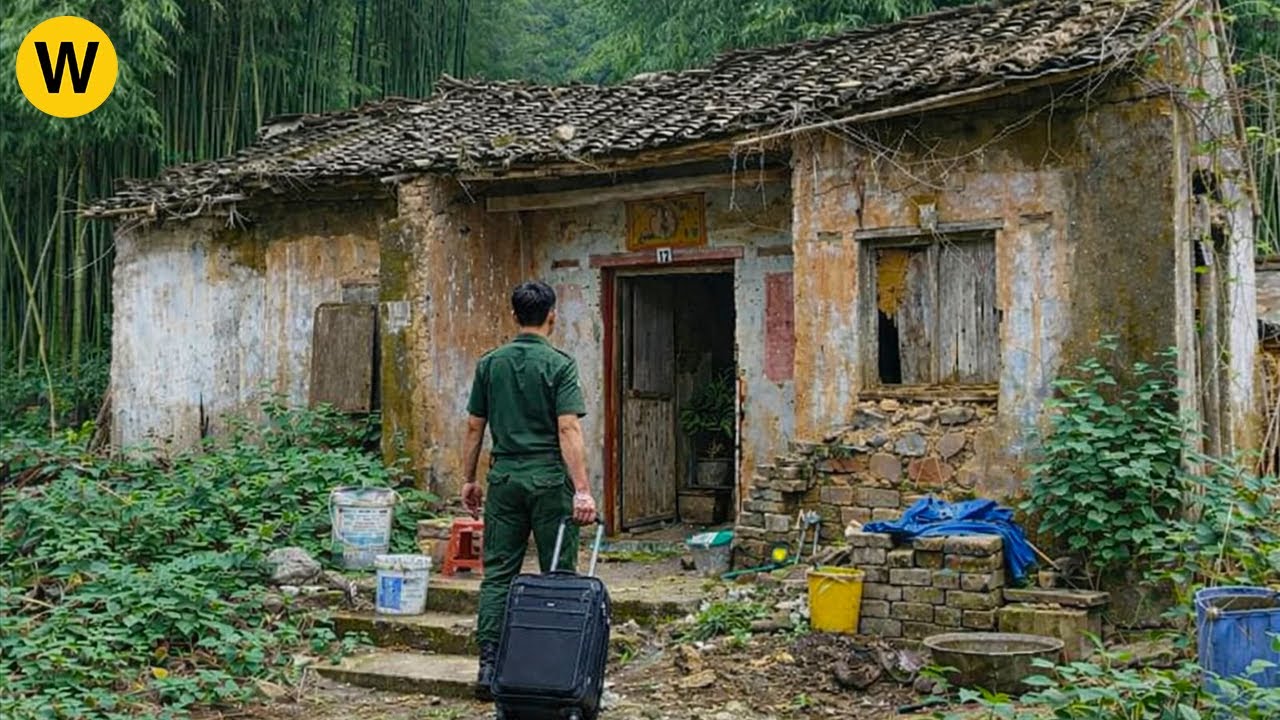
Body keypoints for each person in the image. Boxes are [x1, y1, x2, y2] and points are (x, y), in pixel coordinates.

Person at [460, 280, 598, 700]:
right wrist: (582, 490)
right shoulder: (559, 365)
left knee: (499, 574)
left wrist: (469, 479)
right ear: (552, 315)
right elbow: (568, 427)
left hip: (504, 480)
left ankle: (488, 666)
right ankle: (551, 666)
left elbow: (474, 427)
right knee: (558, 573)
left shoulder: (490, 364)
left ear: (514, 315)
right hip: (549, 481)